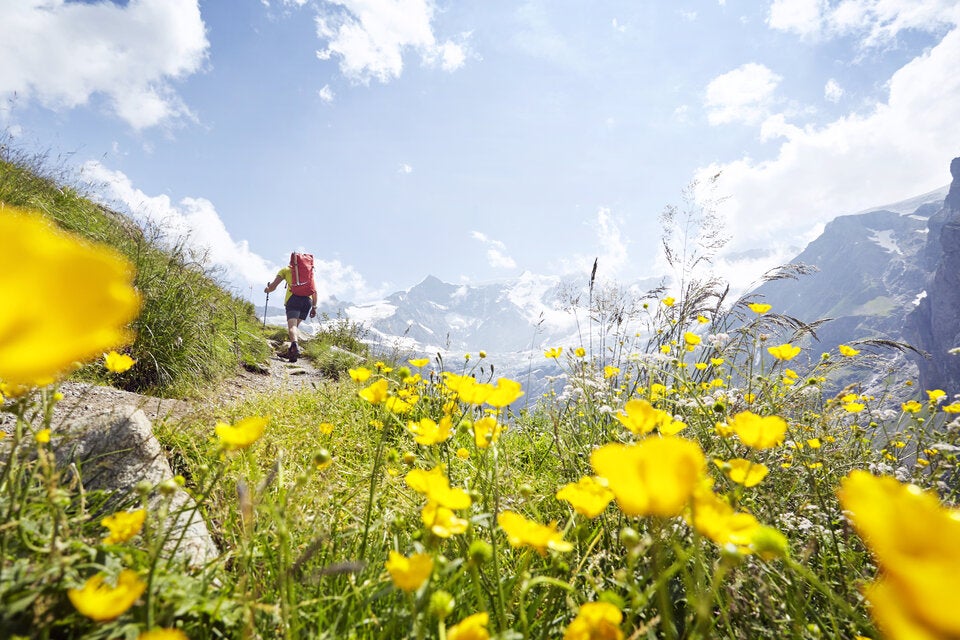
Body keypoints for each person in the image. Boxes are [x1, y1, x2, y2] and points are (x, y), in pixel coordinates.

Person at [264, 257, 317, 362]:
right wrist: (314, 307)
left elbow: (273, 286)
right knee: (295, 327)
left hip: (293, 299)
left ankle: (294, 346)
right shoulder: (308, 273)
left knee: (292, 327)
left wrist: (267, 290)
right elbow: (314, 291)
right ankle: (291, 354)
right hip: (307, 301)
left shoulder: (285, 270)